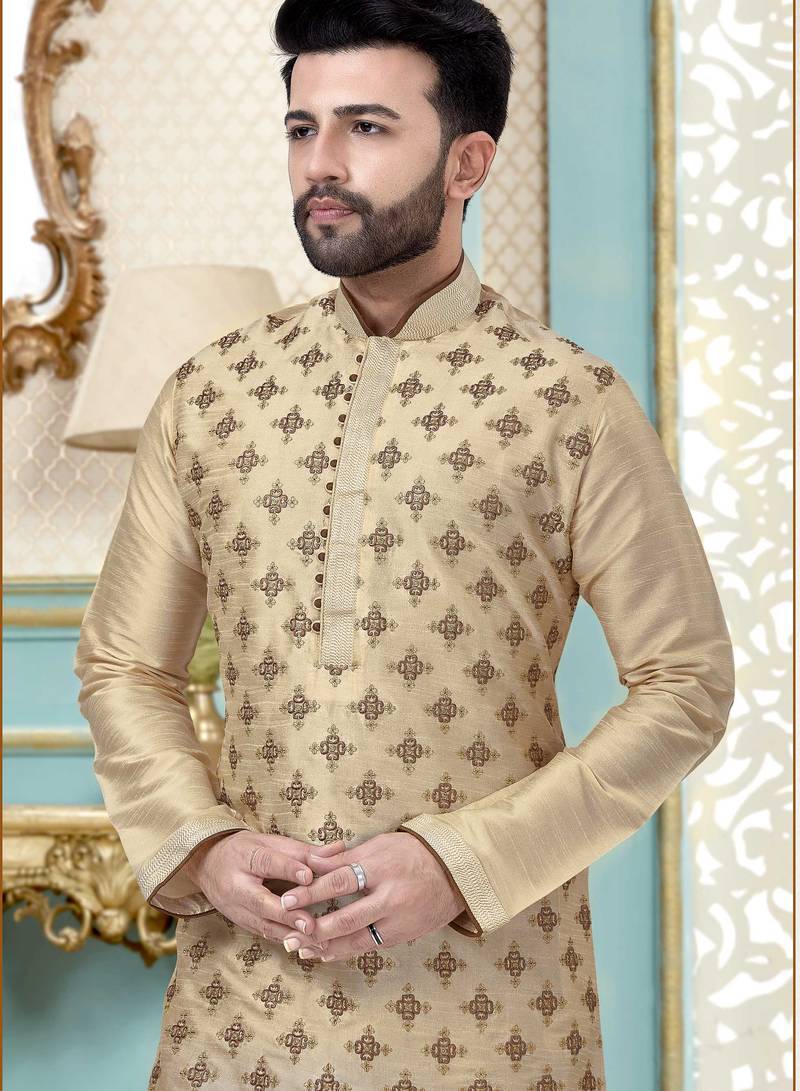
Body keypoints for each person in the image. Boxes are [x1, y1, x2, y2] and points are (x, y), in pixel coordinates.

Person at [73, 0, 736, 1086]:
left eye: (367, 128)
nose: (321, 165)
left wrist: (461, 859)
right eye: (303, 129)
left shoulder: (569, 404)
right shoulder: (211, 397)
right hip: (245, 1002)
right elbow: (122, 664)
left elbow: (685, 685)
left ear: (468, 161)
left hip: (494, 998)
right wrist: (201, 845)